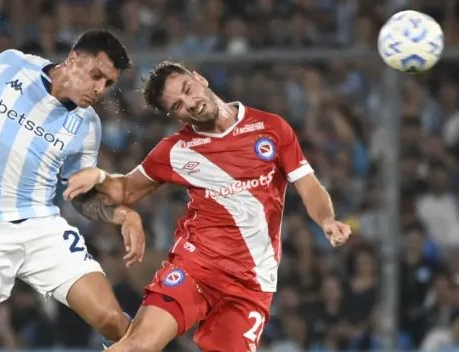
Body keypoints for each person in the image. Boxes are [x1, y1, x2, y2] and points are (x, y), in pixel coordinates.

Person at [64, 61, 352, 352]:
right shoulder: (175, 150)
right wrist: (99, 176)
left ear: (199, 78)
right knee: (139, 346)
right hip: (196, 267)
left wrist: (327, 219)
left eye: (188, 90)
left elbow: (307, 183)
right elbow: (124, 190)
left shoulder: (272, 127)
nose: (191, 104)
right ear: (174, 116)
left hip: (251, 284)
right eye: (178, 105)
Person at [0, 30, 146, 348]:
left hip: (39, 227)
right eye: (96, 76)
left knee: (114, 322)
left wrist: (123, 215)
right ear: (73, 59)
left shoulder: (87, 126)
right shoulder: (10, 66)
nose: (100, 89)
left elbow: (81, 195)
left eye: (108, 84)